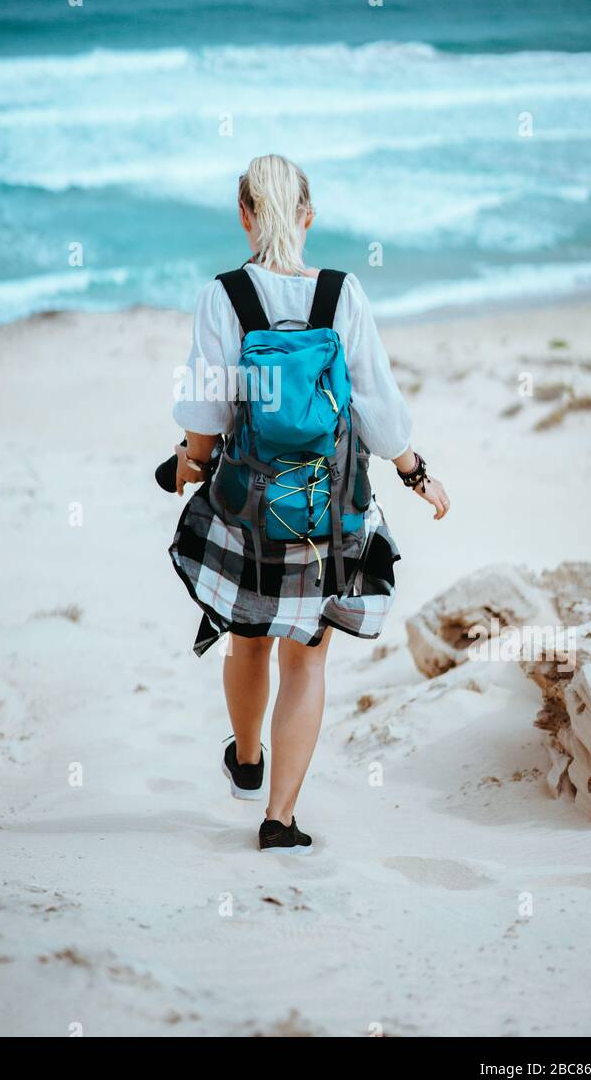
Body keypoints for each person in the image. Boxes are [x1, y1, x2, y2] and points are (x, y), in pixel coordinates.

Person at [168, 155, 450, 851]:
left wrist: (188, 465)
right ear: (307, 215)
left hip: (248, 508)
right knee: (309, 658)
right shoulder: (341, 294)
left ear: (245, 216)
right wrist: (416, 475)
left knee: (248, 638)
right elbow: (378, 404)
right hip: (329, 511)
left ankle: (247, 758)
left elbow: (206, 406)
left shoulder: (224, 296)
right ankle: (280, 819)